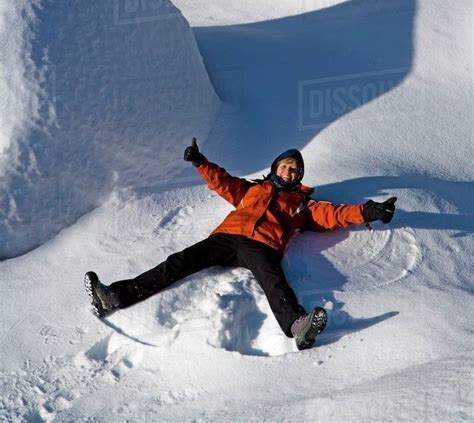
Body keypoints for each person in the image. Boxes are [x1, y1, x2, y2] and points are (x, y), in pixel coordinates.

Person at [84, 139, 397, 350]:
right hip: (226, 238)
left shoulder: (301, 203)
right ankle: (115, 297)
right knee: (177, 263)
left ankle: (297, 326)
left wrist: (369, 210)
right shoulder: (251, 190)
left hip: (262, 247)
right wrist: (200, 161)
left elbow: (334, 215)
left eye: (295, 169)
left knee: (274, 282)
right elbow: (224, 182)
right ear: (275, 168)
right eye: (286, 166)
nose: (290, 171)